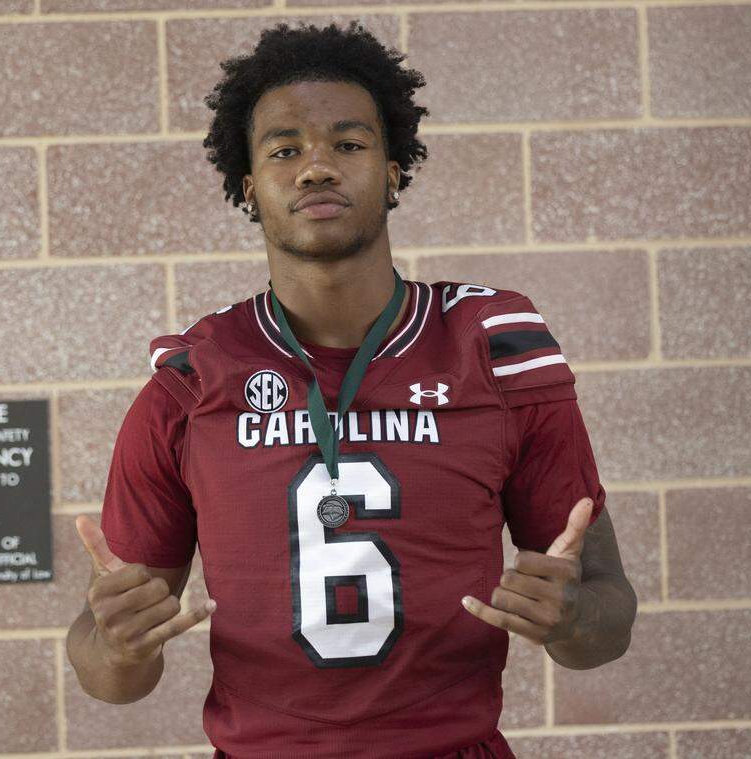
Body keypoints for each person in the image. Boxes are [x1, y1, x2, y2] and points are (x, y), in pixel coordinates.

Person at [66, 21, 637, 758]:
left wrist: (572, 617)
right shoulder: (194, 378)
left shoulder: (493, 346)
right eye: (285, 149)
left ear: (394, 167)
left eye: (348, 143)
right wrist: (117, 643)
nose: (316, 168)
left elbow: (605, 620)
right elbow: (110, 677)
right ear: (248, 183)